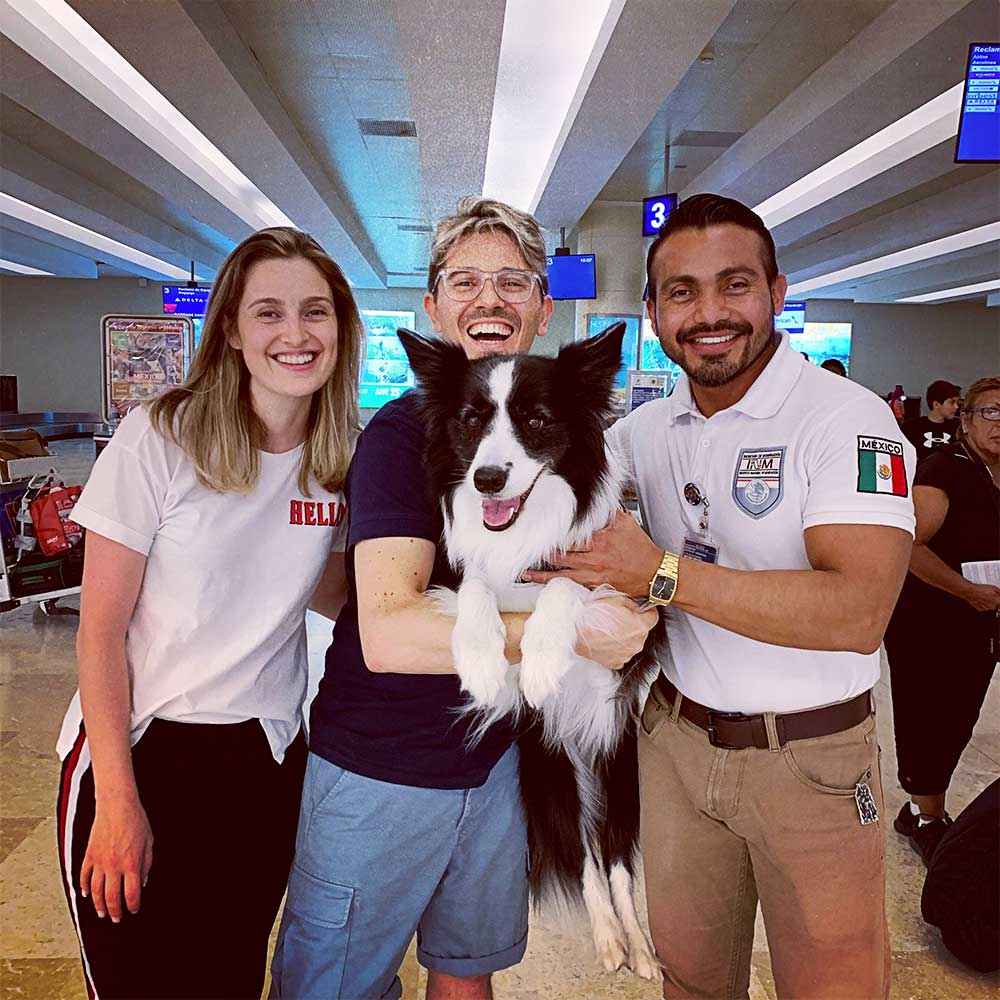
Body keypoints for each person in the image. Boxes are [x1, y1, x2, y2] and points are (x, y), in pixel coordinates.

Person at [525, 193, 915, 999]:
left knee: (834, 985)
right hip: (673, 747)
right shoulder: (642, 432)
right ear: (654, 313)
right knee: (691, 978)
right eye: (682, 291)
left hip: (811, 762)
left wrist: (659, 574)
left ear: (776, 294)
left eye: (734, 286)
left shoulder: (845, 420)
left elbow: (858, 613)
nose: (709, 313)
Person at [270, 197, 656, 1000]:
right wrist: (577, 632)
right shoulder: (406, 435)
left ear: (544, 307)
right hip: (385, 770)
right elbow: (387, 632)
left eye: (513, 282)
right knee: (337, 986)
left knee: (465, 973)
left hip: (492, 765)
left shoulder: (561, 438)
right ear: (435, 304)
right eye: (466, 281)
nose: (490, 300)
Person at [55, 227, 362, 999]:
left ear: (341, 329)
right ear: (230, 328)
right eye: (269, 313)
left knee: (227, 980)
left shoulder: (341, 460)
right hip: (140, 751)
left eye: (315, 313)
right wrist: (119, 803)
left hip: (262, 763)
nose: (295, 334)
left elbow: (331, 592)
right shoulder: (159, 437)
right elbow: (99, 630)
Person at [884, 375, 1000, 863]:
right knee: (930, 716)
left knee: (959, 718)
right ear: (965, 420)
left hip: (980, 620)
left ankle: (927, 807)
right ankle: (925, 814)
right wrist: (966, 590)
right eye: (990, 413)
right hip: (930, 622)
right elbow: (907, 546)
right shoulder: (944, 472)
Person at [903, 379, 962, 459]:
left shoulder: (957, 427)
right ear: (936, 404)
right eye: (952, 402)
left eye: (957, 403)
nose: (956, 407)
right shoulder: (912, 427)